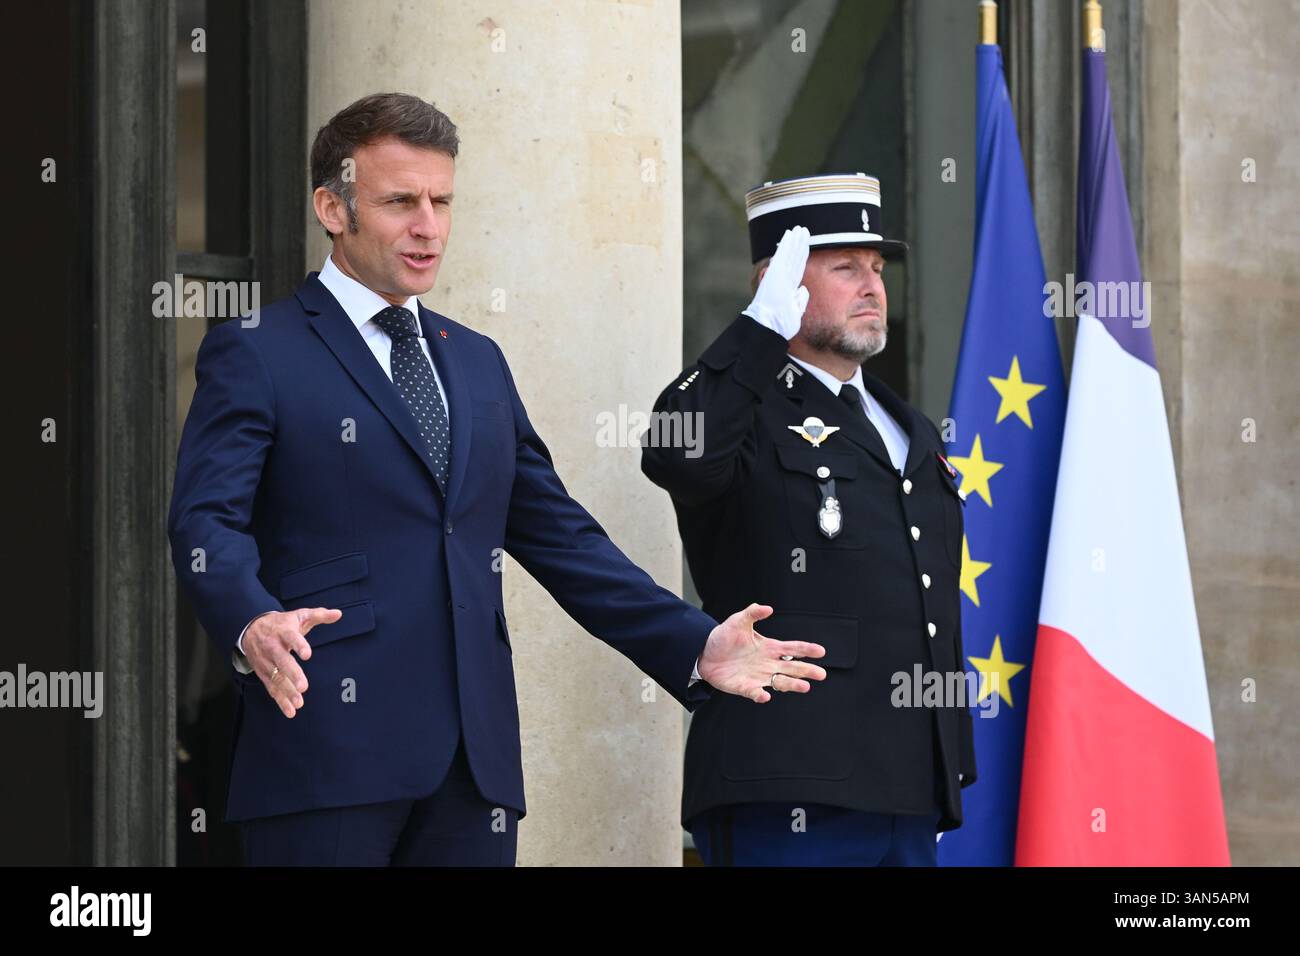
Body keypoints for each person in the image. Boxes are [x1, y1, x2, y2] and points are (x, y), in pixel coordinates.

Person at [167, 93, 827, 866]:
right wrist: (250, 620)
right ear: (332, 208)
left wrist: (695, 641)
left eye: (442, 201)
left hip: (474, 775)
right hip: (325, 753)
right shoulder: (258, 349)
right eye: (400, 202)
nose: (429, 227)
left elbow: (563, 540)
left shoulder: (475, 359)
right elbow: (205, 521)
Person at [642, 173, 976, 866]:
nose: (872, 286)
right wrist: (756, 331)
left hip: (906, 790)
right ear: (781, 281)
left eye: (878, 269)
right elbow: (679, 456)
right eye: (845, 267)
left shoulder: (905, 425)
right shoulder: (747, 408)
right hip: (786, 784)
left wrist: (941, 770)